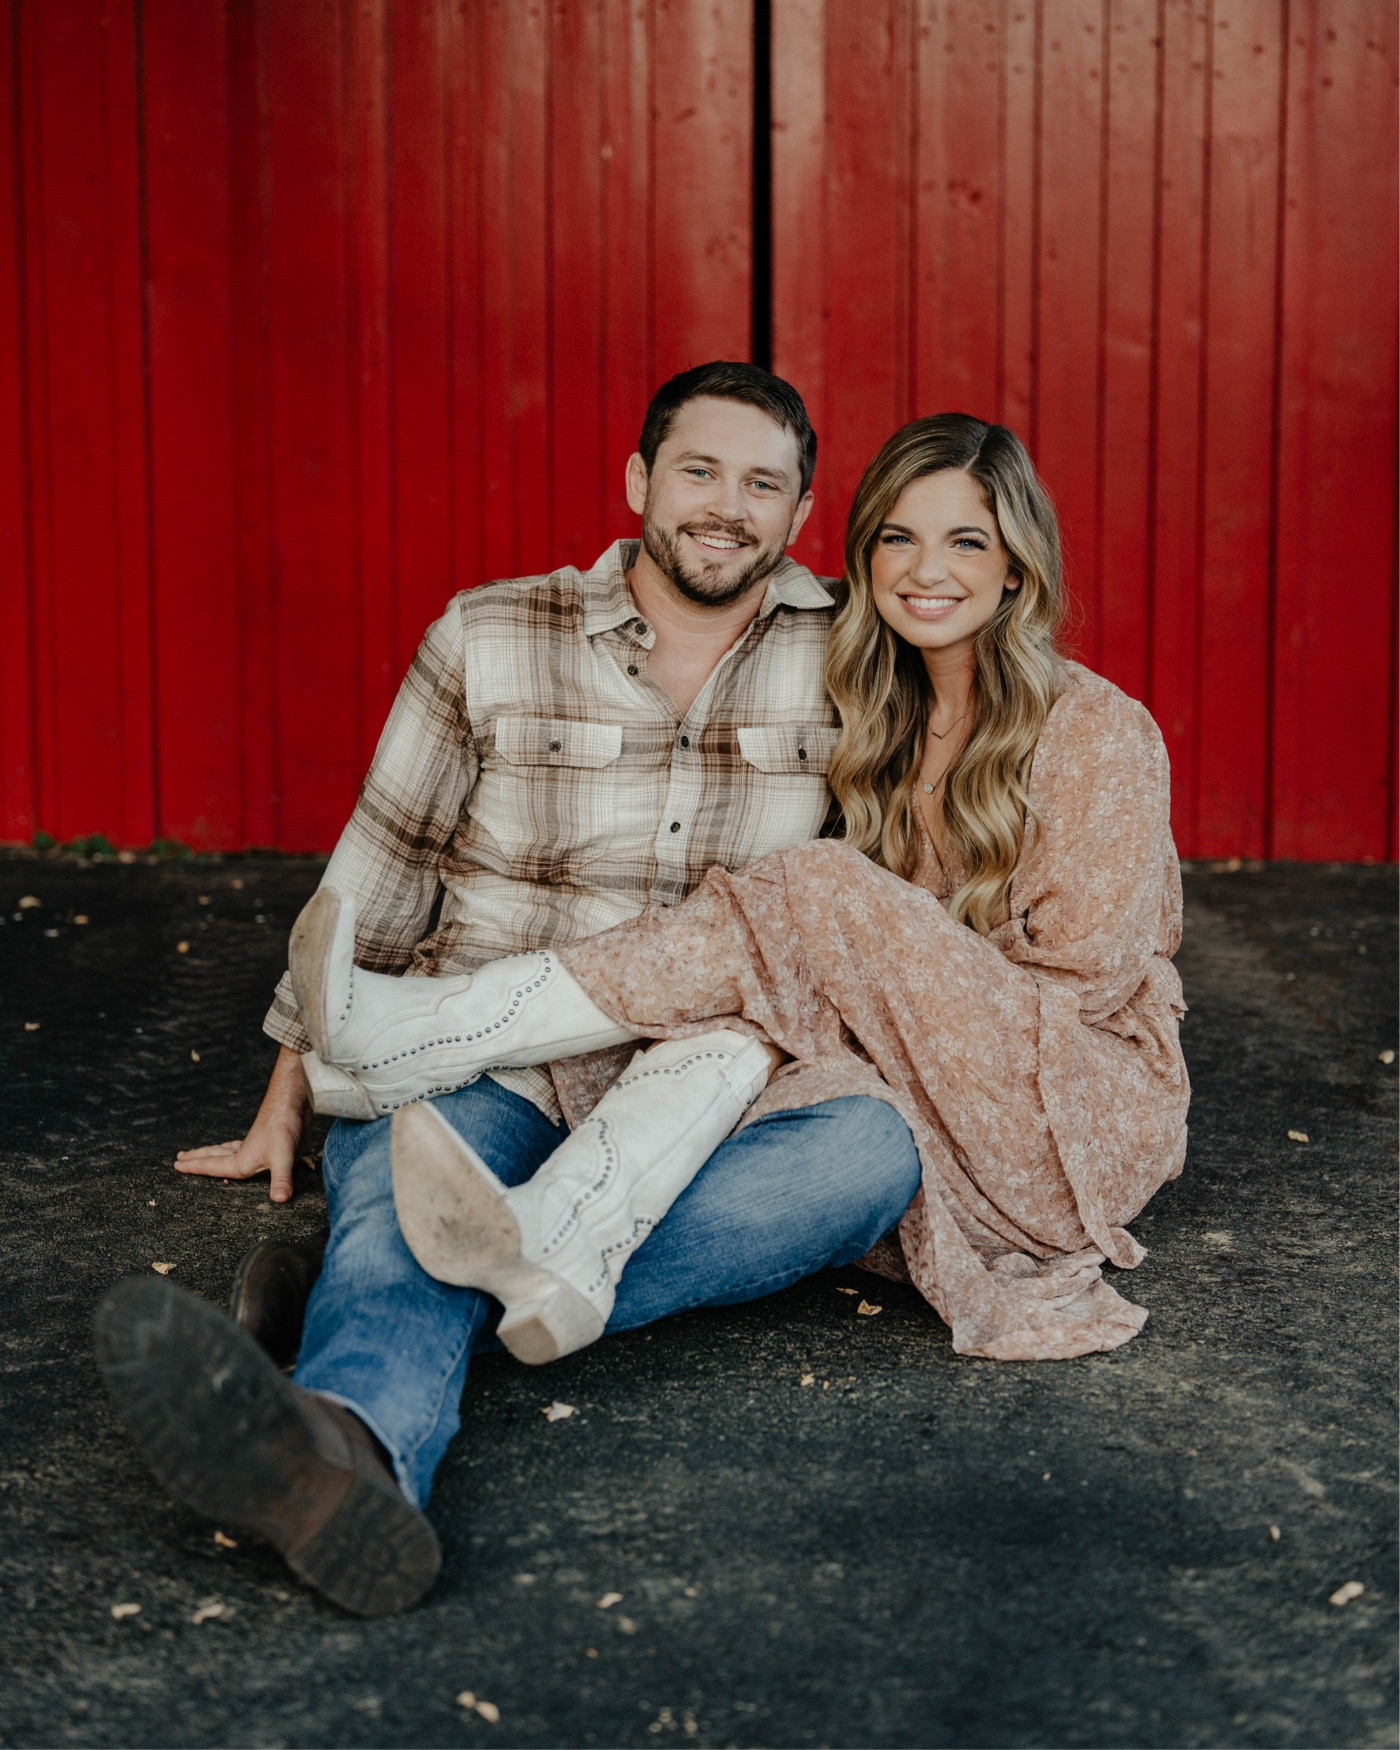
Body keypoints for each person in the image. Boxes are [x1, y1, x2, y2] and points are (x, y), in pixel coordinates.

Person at [95, 363, 926, 1619]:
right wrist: (292, 1085)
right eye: (699, 470)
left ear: (799, 513)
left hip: (707, 1079)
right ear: (639, 480)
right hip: (479, 1041)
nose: (726, 506)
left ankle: (356, 1287)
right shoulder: (488, 632)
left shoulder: (856, 656)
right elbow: (378, 866)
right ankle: (348, 1459)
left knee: (865, 1153)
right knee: (421, 1188)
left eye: (763, 484)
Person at [285, 414, 1191, 1383]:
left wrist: (879, 989)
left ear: (1016, 566)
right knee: (745, 1016)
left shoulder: (1096, 731)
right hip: (933, 1075)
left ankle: (421, 1041)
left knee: (813, 892)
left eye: (966, 540)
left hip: (1070, 1106)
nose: (927, 568)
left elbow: (1081, 986)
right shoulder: (880, 714)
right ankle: (548, 1237)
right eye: (897, 536)